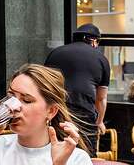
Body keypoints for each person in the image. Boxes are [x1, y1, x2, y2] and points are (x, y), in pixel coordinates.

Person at [44, 23, 110, 154]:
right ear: (93, 40)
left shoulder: (55, 53)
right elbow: (101, 98)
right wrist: (100, 122)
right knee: (85, 156)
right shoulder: (101, 59)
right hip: (84, 114)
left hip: (57, 113)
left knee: (55, 152)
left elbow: (44, 85)